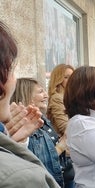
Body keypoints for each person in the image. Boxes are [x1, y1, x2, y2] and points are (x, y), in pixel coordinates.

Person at [0, 20, 60, 187]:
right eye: (10, 69)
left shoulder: (40, 122)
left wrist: (11, 142)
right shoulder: (18, 177)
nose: (46, 95)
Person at [11, 78, 67, 187]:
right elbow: (37, 162)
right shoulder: (24, 125)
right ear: (27, 95)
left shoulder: (42, 120)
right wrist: (61, 145)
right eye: (41, 92)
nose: (46, 95)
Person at [47, 63, 74, 136]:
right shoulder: (57, 98)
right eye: (66, 77)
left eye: (73, 76)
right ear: (59, 79)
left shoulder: (74, 96)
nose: (71, 80)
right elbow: (64, 126)